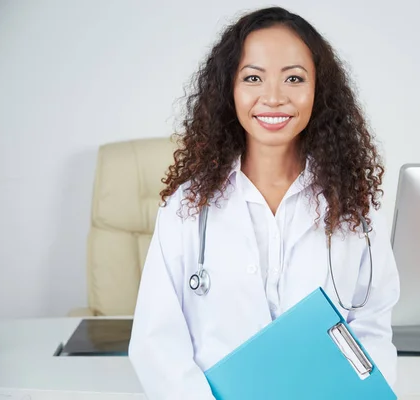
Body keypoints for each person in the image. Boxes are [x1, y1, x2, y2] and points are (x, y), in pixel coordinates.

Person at [128, 6, 400, 399]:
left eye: (294, 78)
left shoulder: (353, 208)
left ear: (318, 91)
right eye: (253, 78)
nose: (273, 97)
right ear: (230, 91)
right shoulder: (187, 208)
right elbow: (156, 344)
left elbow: (372, 327)